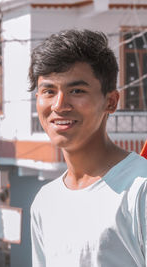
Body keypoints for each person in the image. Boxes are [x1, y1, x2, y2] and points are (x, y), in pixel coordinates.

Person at [28, 29, 147, 267]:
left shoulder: (139, 189)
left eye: (77, 91)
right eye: (49, 91)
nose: (59, 105)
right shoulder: (45, 202)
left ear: (111, 102)